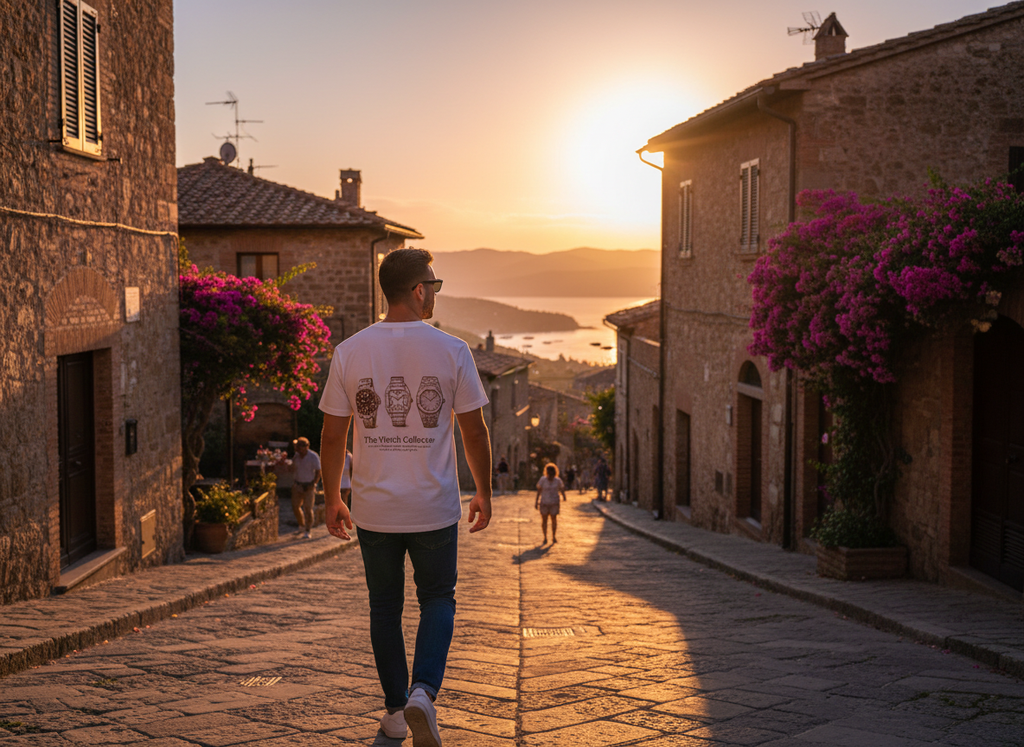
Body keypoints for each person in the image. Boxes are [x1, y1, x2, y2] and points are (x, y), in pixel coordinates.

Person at [319, 248, 492, 747]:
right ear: (418, 290)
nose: (434, 293)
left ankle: (396, 711)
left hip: (374, 509)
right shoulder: (453, 350)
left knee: (384, 607)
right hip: (433, 507)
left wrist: (333, 497)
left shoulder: (349, 350)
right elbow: (474, 431)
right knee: (438, 598)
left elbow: (333, 436)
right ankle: (423, 693)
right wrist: (481, 490)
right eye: (433, 285)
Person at [290, 437, 321, 539]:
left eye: (299, 446)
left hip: (309, 485)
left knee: (308, 508)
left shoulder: (313, 456)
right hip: (298, 484)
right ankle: (301, 525)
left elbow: (318, 471)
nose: (298, 448)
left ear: (306, 447)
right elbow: (293, 468)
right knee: (295, 506)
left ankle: (308, 530)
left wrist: (314, 483)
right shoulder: (296, 456)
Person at [535, 463, 567, 544]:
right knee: (544, 520)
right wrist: (536, 501)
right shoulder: (543, 480)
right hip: (544, 502)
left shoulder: (558, 480)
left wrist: (564, 496)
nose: (550, 476)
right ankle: (545, 537)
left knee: (554, 519)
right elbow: (539, 490)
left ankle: (553, 536)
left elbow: (562, 488)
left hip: (554, 503)